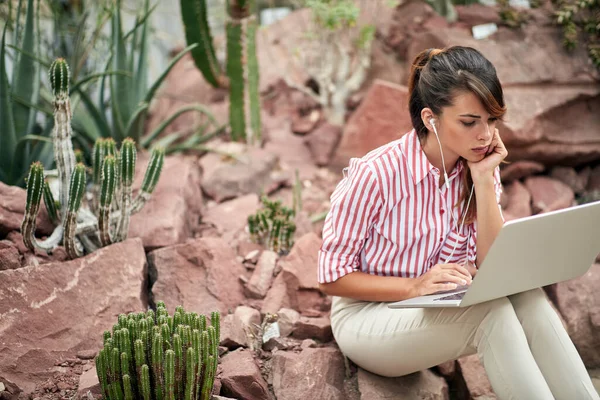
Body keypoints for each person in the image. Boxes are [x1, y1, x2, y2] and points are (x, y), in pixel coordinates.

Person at [317, 46, 599, 400]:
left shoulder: (476, 164)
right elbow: (331, 278)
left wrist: (483, 179)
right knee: (491, 312)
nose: (485, 135)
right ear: (431, 118)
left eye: (492, 121)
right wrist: (413, 287)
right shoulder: (376, 174)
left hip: (433, 306)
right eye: (470, 122)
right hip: (366, 318)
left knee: (527, 297)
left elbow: (492, 266)